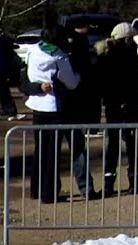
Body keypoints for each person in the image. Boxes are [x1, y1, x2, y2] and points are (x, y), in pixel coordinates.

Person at [23, 28, 81, 204]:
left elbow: (27, 75)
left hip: (37, 105)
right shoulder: (59, 56)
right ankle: (49, 193)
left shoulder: (33, 50)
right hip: (54, 107)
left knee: (40, 149)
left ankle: (36, 189)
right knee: (52, 153)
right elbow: (71, 83)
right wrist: (78, 75)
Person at [96, 23, 138, 196]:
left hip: (117, 104)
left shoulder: (108, 55)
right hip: (123, 103)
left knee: (117, 143)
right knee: (128, 143)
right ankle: (129, 181)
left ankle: (112, 183)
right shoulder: (124, 56)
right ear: (126, 38)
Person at [62, 18, 99, 198]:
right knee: (77, 149)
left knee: (73, 148)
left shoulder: (70, 47)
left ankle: (47, 189)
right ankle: (86, 188)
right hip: (70, 103)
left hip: (68, 103)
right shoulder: (73, 49)